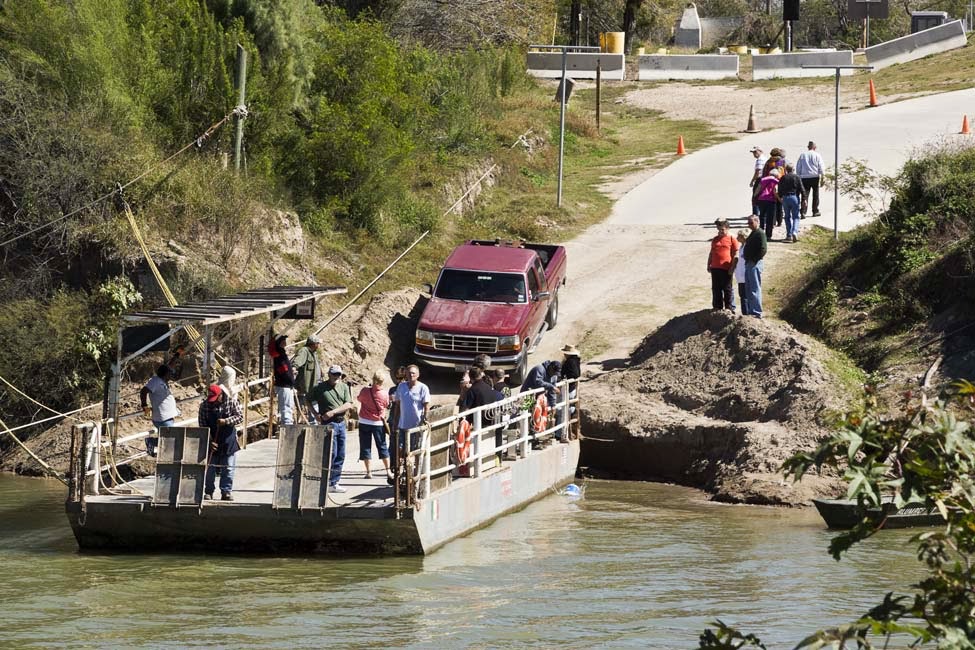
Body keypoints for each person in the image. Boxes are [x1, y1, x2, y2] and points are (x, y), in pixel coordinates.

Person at [308, 364, 354, 493]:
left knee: (340, 454)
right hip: (328, 423)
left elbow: (348, 404)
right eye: (334, 374)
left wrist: (333, 412)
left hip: (341, 422)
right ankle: (324, 480)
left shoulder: (344, 387)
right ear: (329, 374)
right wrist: (316, 414)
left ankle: (334, 482)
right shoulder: (320, 388)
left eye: (338, 374)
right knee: (330, 453)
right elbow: (308, 400)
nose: (336, 377)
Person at [198, 384, 243, 501]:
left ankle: (226, 491)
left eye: (215, 399)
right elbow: (202, 426)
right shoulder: (204, 406)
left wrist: (226, 421)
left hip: (228, 440)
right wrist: (210, 441)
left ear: (220, 395)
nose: (213, 402)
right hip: (213, 440)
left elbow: (239, 417)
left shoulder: (232, 402)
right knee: (210, 468)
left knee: (228, 467)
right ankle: (208, 491)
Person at [392, 364, 431, 471]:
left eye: (413, 373)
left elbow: (426, 406)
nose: (411, 375)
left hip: (416, 426)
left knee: (416, 450)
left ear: (418, 375)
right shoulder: (401, 386)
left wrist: (424, 419)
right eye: (409, 373)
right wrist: (395, 422)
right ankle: (402, 470)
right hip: (403, 425)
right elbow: (398, 405)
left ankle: (416, 472)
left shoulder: (423, 388)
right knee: (401, 449)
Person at [357, 369, 393, 482]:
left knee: (365, 447)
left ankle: (368, 472)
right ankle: (388, 471)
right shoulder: (384, 394)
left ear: (373, 379)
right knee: (382, 446)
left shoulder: (364, 391)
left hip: (364, 421)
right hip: (378, 423)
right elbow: (387, 405)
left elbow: (359, 399)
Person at [140, 365, 180, 457]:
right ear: (165, 374)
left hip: (167, 417)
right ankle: (152, 442)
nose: (171, 375)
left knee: (169, 438)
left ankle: (156, 446)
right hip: (163, 418)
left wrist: (177, 355)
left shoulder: (161, 381)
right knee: (170, 439)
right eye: (169, 373)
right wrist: (144, 405)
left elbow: (169, 365)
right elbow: (143, 391)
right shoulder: (155, 381)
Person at [707, 218, 739, 311]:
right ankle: (717, 307)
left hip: (726, 268)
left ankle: (729, 307)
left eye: (722, 229)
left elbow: (735, 253)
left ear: (727, 228)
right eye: (718, 228)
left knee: (727, 288)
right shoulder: (715, 239)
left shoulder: (731, 238)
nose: (720, 231)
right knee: (716, 288)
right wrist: (708, 264)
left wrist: (732, 267)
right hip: (715, 267)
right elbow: (711, 252)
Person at [292, 335, 322, 423]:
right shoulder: (304, 351)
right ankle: (310, 424)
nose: (319, 345)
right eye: (318, 343)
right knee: (308, 406)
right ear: (314, 344)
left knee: (313, 406)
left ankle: (313, 424)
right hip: (306, 387)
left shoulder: (314, 353)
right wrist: (294, 368)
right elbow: (297, 362)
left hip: (314, 386)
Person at [743, 215, 768, 318]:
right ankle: (750, 310)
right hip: (748, 263)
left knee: (754, 288)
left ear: (757, 222)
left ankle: (757, 312)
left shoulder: (760, 233)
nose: (749, 225)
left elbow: (763, 249)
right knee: (748, 288)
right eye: (748, 223)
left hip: (754, 263)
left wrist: (754, 260)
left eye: (751, 223)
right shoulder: (753, 233)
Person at [268, 334, 295, 425]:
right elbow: (284, 370)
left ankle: (287, 426)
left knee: (287, 407)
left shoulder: (280, 354)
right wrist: (291, 380)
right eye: (282, 340)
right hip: (285, 385)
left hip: (285, 384)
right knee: (286, 408)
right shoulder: (280, 356)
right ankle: (287, 429)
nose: (285, 342)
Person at [777, 164, 805, 243]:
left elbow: (780, 189)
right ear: (793, 169)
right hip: (794, 197)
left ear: (786, 170)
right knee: (796, 217)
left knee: (787, 217)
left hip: (785, 198)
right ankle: (794, 232)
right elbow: (802, 188)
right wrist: (804, 199)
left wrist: (780, 197)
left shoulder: (783, 178)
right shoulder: (797, 177)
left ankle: (789, 235)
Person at [796, 140, 824, 217]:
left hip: (804, 177)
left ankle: (803, 212)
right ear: (815, 147)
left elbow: (798, 167)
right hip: (815, 176)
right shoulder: (817, 155)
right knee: (815, 195)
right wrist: (822, 177)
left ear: (808, 147)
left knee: (805, 195)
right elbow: (821, 166)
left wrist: (798, 176)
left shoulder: (802, 155)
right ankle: (815, 211)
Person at [755, 168, 781, 240]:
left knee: (762, 216)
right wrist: (779, 199)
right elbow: (775, 190)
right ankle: (768, 235)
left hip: (762, 199)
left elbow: (758, 189)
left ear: (769, 173)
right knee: (770, 218)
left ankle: (761, 232)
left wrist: (755, 196)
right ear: (776, 175)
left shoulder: (763, 179)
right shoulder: (776, 181)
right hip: (771, 200)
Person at [731, 229, 749, 315]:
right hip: (740, 276)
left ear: (743, 237)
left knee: (744, 296)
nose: (737, 238)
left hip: (744, 275)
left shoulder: (746, 247)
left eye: (739, 236)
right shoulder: (742, 247)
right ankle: (745, 312)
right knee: (742, 295)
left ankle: (746, 313)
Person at [748, 146, 767, 216]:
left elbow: (757, 172)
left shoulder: (760, 160)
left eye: (755, 152)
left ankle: (755, 214)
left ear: (760, 151)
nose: (754, 154)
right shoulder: (765, 158)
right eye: (753, 152)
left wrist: (752, 180)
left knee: (755, 198)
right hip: (764, 180)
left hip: (759, 180)